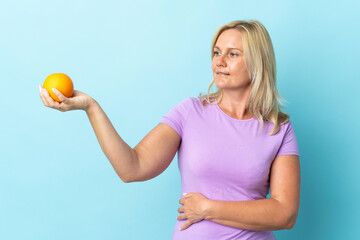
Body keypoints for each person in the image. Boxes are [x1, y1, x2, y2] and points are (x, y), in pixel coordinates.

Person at [39, 20, 300, 240]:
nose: (219, 62)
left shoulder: (279, 129)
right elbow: (132, 168)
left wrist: (208, 209)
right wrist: (91, 107)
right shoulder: (190, 112)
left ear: (257, 63)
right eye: (216, 52)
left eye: (232, 54)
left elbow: (285, 213)